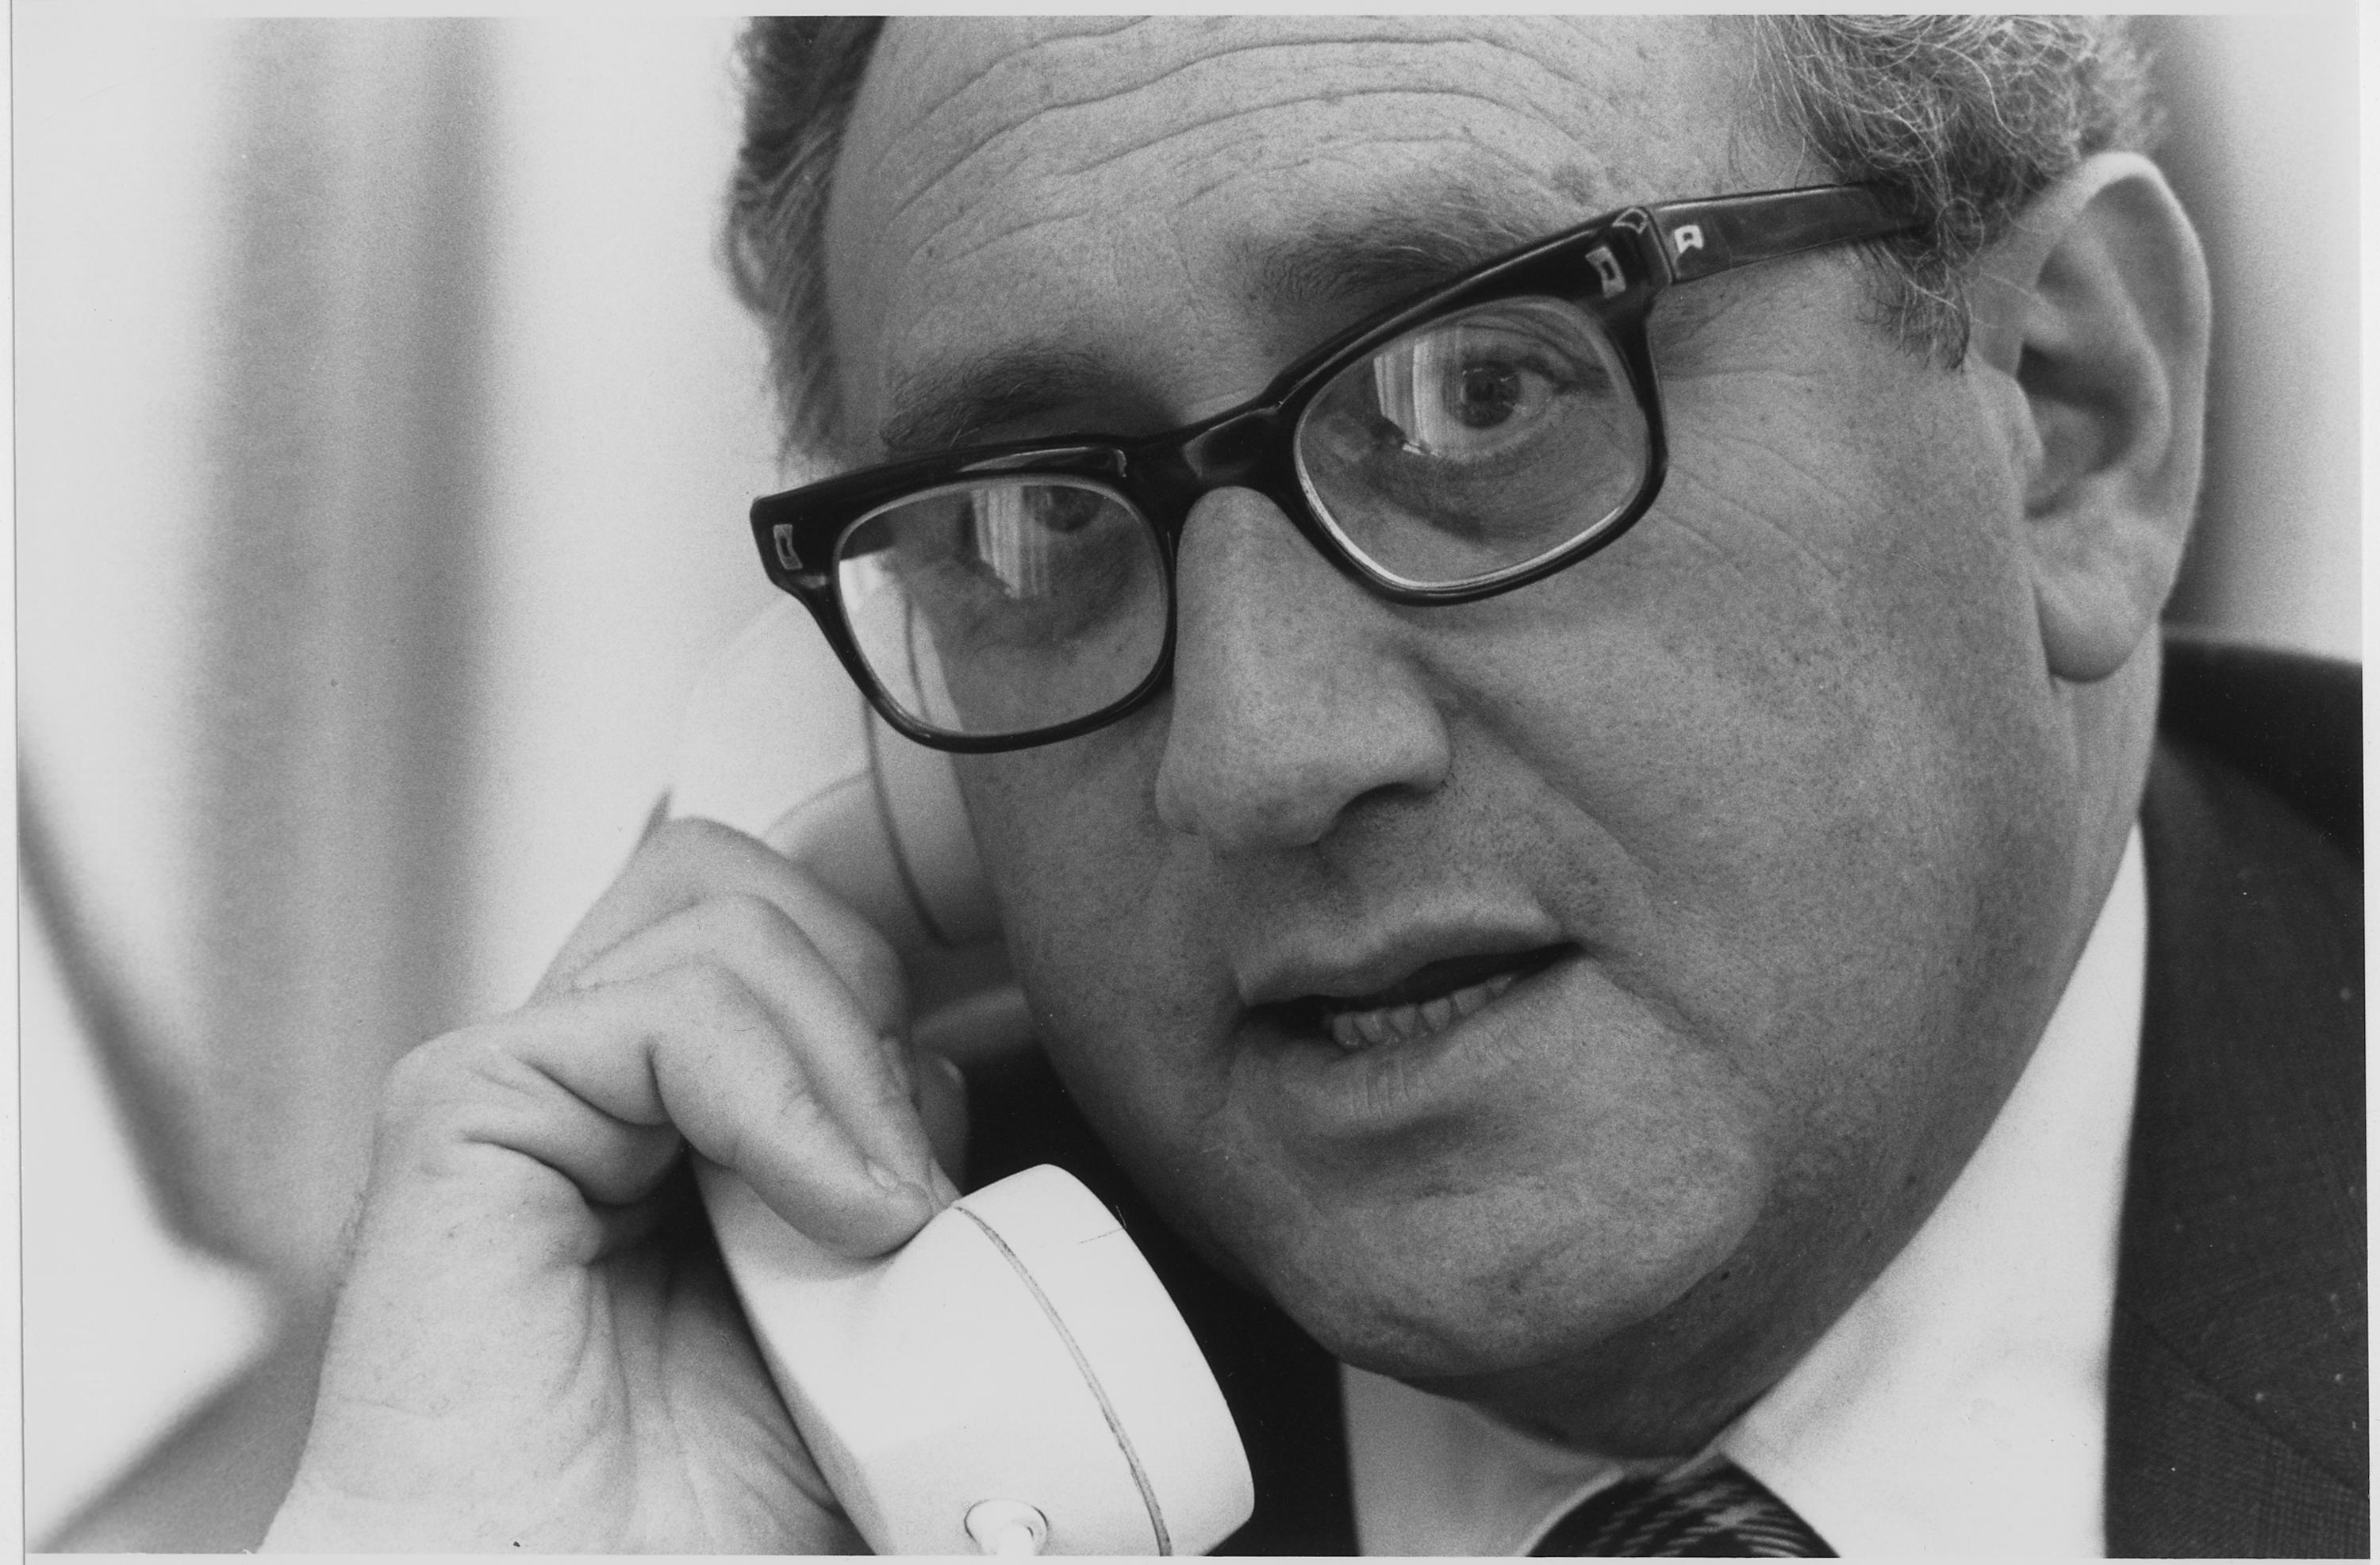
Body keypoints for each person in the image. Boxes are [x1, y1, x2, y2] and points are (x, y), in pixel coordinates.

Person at [262, 17, 2363, 1556]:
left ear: (2073, 423)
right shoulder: (822, 1410)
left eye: (1479, 389)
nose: (1261, 753)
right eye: (1032, 524)